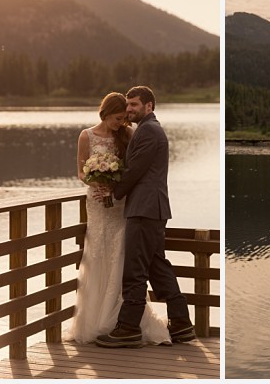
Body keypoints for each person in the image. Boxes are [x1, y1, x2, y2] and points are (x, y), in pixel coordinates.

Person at [65, 92, 171, 345]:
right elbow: (80, 171)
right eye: (117, 118)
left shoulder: (129, 134)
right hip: (97, 202)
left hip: (121, 203)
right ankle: (94, 320)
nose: (120, 123)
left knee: (121, 257)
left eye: (124, 118)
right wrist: (95, 179)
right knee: (97, 255)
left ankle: (121, 321)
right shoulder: (86, 135)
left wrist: (114, 186)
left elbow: (133, 169)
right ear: (105, 113)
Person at [96, 86, 195, 348]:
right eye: (128, 105)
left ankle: (128, 328)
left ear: (149, 106)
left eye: (135, 105)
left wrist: (112, 193)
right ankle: (182, 325)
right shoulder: (148, 129)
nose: (129, 109)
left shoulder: (149, 131)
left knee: (135, 269)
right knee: (156, 265)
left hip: (145, 208)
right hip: (151, 208)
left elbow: (135, 171)